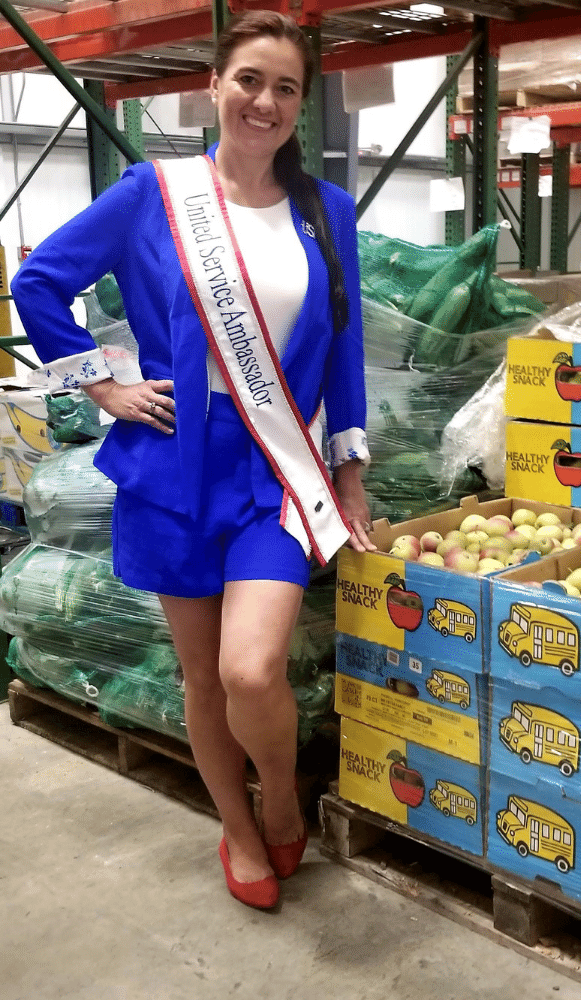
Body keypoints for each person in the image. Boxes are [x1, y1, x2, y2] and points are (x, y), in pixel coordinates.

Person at [11, 9, 377, 911]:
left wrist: (350, 468)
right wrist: (103, 385)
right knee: (202, 680)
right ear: (214, 86)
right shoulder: (152, 191)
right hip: (176, 466)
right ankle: (239, 830)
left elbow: (344, 345)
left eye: (286, 87)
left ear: (302, 106)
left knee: (252, 669)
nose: (266, 100)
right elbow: (39, 282)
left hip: (276, 474)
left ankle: (282, 797)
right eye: (249, 79)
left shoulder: (325, 210)